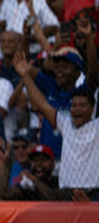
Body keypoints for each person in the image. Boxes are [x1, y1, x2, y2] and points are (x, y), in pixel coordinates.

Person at [14, 52, 99, 193]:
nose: (77, 109)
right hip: (66, 192)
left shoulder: (96, 126)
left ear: (92, 109)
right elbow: (42, 104)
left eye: (82, 106)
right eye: (74, 105)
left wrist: (89, 36)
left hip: (93, 192)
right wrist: (25, 76)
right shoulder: (66, 124)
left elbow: (94, 73)